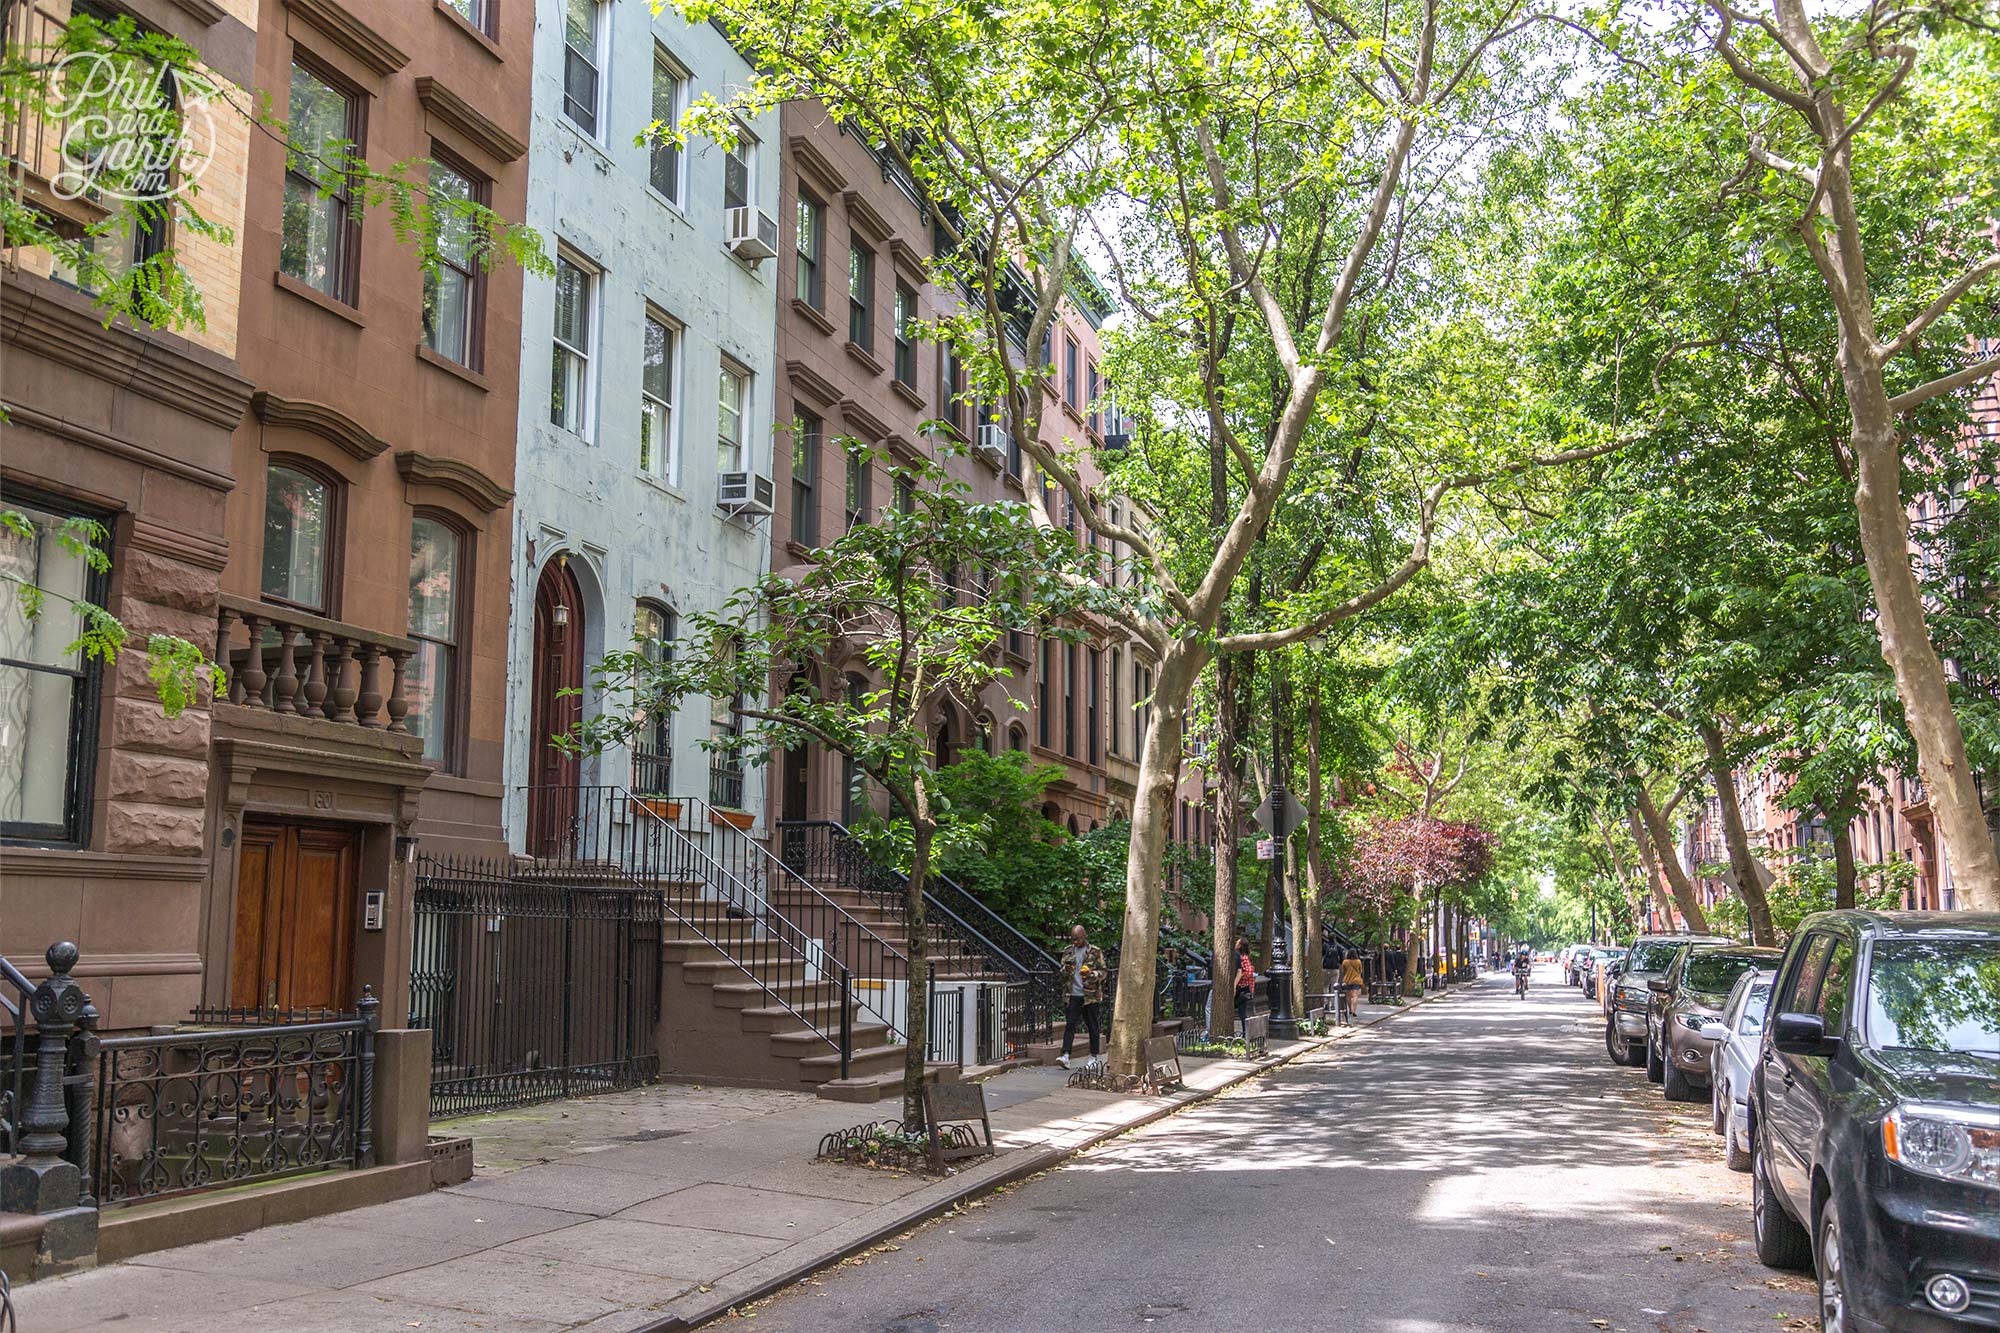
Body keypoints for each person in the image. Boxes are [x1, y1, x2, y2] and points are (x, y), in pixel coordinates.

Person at [1056, 925, 1107, 1069]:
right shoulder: (1068, 951)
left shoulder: (1095, 952)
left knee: (1092, 1026)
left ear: (1084, 936)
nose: (1075, 942)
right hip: (1072, 994)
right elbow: (1061, 973)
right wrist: (1066, 970)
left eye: (1077, 939)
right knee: (1070, 1025)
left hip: (1090, 996)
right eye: (1073, 939)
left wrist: (1091, 974)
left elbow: (1103, 972)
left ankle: (1093, 1057)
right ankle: (1065, 1055)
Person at [1232, 937, 1257, 1037]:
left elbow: (1249, 972)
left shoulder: (1243, 957)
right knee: (1242, 1012)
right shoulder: (1243, 956)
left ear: (1240, 945)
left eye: (1237, 942)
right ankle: (1245, 1033)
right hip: (1244, 987)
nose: (1235, 943)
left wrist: (1239, 977)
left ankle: (1245, 1033)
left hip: (1242, 988)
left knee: (1242, 1012)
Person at [1340, 948, 1366, 1019]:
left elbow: (1343, 971)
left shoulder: (1345, 962)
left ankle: (1350, 1010)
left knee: (1348, 996)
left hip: (1347, 980)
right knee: (1355, 996)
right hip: (1356, 980)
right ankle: (1354, 1010)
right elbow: (1360, 971)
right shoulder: (1358, 961)